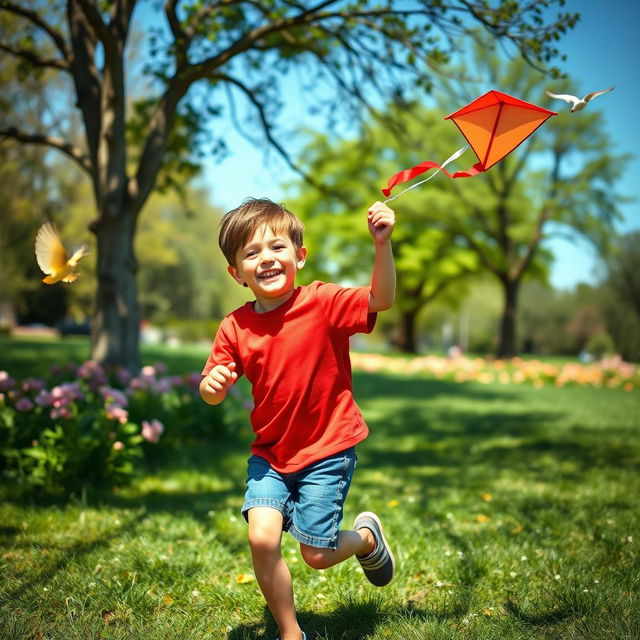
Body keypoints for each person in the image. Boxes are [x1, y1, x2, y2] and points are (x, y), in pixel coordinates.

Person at [199, 197, 397, 640]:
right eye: (251, 253)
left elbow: (381, 298)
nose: (266, 258)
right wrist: (211, 386)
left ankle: (366, 540)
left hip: (327, 449)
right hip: (271, 455)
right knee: (262, 539)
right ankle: (292, 634)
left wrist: (381, 246)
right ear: (236, 273)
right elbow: (211, 386)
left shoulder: (324, 302)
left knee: (317, 555)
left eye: (277, 247)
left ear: (299, 256)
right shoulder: (234, 327)